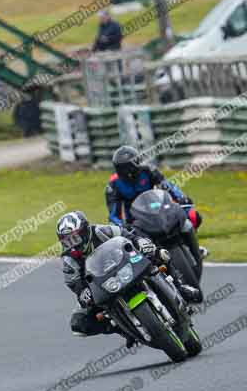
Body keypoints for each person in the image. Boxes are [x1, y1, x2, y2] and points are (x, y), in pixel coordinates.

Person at [56, 211, 201, 341]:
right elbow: (74, 283)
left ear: (85, 231)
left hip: (126, 265)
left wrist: (141, 243)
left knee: (160, 254)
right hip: (102, 284)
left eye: (75, 238)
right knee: (79, 323)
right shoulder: (68, 259)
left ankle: (180, 288)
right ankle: (124, 328)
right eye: (67, 240)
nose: (72, 244)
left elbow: (128, 236)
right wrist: (83, 293)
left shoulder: (102, 231)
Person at [106, 145, 205, 238]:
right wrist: (122, 225)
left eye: (130, 166)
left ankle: (192, 242)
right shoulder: (113, 184)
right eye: (123, 168)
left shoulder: (148, 171)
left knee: (192, 215)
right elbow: (114, 215)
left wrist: (181, 198)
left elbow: (167, 186)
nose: (128, 171)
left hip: (158, 209)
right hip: (136, 220)